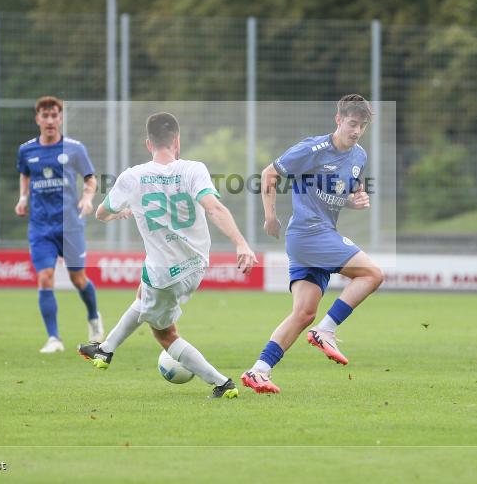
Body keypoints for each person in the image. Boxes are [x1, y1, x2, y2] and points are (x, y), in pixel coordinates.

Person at [78, 112, 257, 399]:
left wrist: (119, 213)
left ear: (148, 143)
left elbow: (101, 213)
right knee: (143, 295)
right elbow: (214, 208)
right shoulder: (194, 169)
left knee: (165, 335)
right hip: (196, 264)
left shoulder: (132, 176)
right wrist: (241, 244)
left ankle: (222, 383)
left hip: (164, 273)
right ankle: (105, 350)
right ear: (177, 140)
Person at [241, 94, 385, 394]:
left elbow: (339, 193)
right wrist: (270, 217)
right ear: (338, 120)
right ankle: (326, 330)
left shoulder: (359, 156)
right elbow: (269, 174)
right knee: (372, 274)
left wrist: (356, 201)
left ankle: (259, 371)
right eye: (352, 123)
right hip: (308, 234)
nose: (356, 130)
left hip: (317, 236)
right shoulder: (312, 149)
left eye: (362, 125)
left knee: (304, 313)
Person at [16, 96, 104, 353]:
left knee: (78, 279)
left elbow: (90, 179)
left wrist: (87, 199)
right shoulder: (26, 151)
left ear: (61, 118)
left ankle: (94, 318)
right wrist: (23, 198)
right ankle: (54, 338)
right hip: (40, 226)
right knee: (45, 277)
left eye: (55, 115)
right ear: (38, 119)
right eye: (45, 115)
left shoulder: (75, 148)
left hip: (70, 225)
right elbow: (24, 173)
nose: (50, 120)